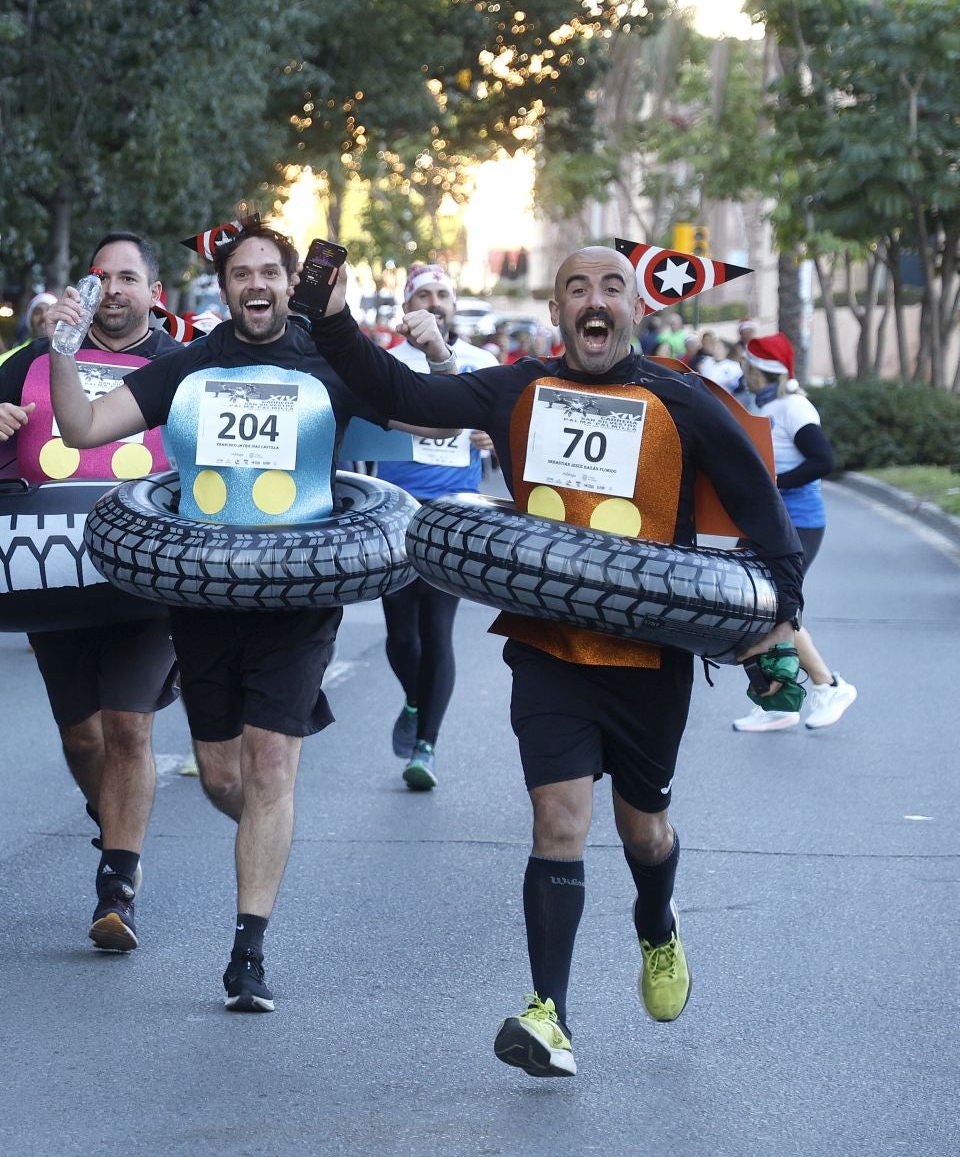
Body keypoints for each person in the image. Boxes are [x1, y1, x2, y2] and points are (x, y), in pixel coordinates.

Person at [304, 244, 805, 1077]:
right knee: (558, 820)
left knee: (643, 830)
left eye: (612, 287)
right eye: (577, 287)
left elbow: (768, 527)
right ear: (558, 312)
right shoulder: (517, 389)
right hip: (547, 646)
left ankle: (656, 920)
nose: (595, 300)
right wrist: (333, 320)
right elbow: (400, 393)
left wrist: (772, 627)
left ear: (638, 311)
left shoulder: (683, 399)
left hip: (650, 658)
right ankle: (551, 1014)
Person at [44, 223, 395, 1012]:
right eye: (242, 273)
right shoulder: (189, 364)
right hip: (204, 595)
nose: (258, 283)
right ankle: (271, 820)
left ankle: (248, 953)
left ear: (288, 281)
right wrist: (63, 348)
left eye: (272, 269)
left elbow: (427, 419)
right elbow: (83, 429)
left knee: (270, 763)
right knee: (226, 775)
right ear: (224, 287)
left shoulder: (328, 357)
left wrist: (433, 357)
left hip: (304, 592)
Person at [0, 233, 183, 956]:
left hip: (147, 576)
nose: (112, 289)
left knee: (128, 727)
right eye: (100, 276)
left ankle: (118, 881)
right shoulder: (33, 357)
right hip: (49, 573)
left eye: (128, 278)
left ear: (153, 292)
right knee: (82, 735)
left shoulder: (181, 366)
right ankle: (110, 817)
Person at [371, 264, 495, 791]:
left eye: (443, 293)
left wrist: (495, 437)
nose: (436, 301)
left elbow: (507, 425)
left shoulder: (480, 363)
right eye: (425, 293)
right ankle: (415, 696)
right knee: (400, 631)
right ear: (408, 304)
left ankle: (427, 744)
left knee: (436, 626)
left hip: (454, 510)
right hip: (395, 507)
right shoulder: (387, 362)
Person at [732, 333, 858, 732]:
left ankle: (829, 685)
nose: (742, 372)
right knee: (749, 606)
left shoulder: (794, 407)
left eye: (746, 366)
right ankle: (779, 702)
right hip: (768, 522)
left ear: (758, 369)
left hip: (798, 524)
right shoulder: (765, 405)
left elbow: (823, 460)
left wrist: (774, 482)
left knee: (778, 610)